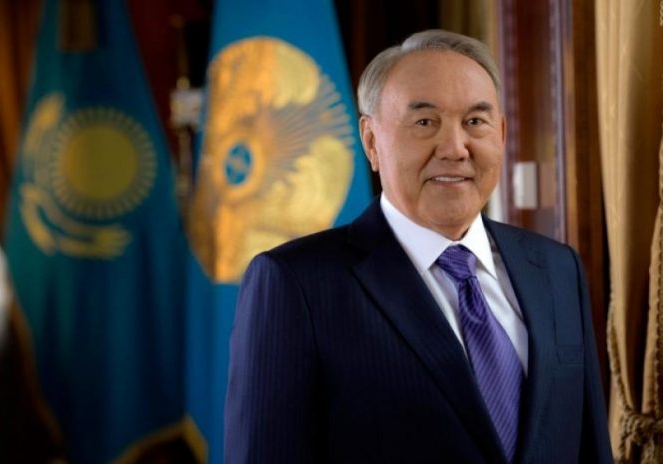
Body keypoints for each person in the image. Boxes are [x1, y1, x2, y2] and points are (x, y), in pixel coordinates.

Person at [224, 29, 612, 463]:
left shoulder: (557, 268)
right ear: (372, 141)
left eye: (475, 122)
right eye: (425, 122)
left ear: (502, 133)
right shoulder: (296, 284)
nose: (455, 148)